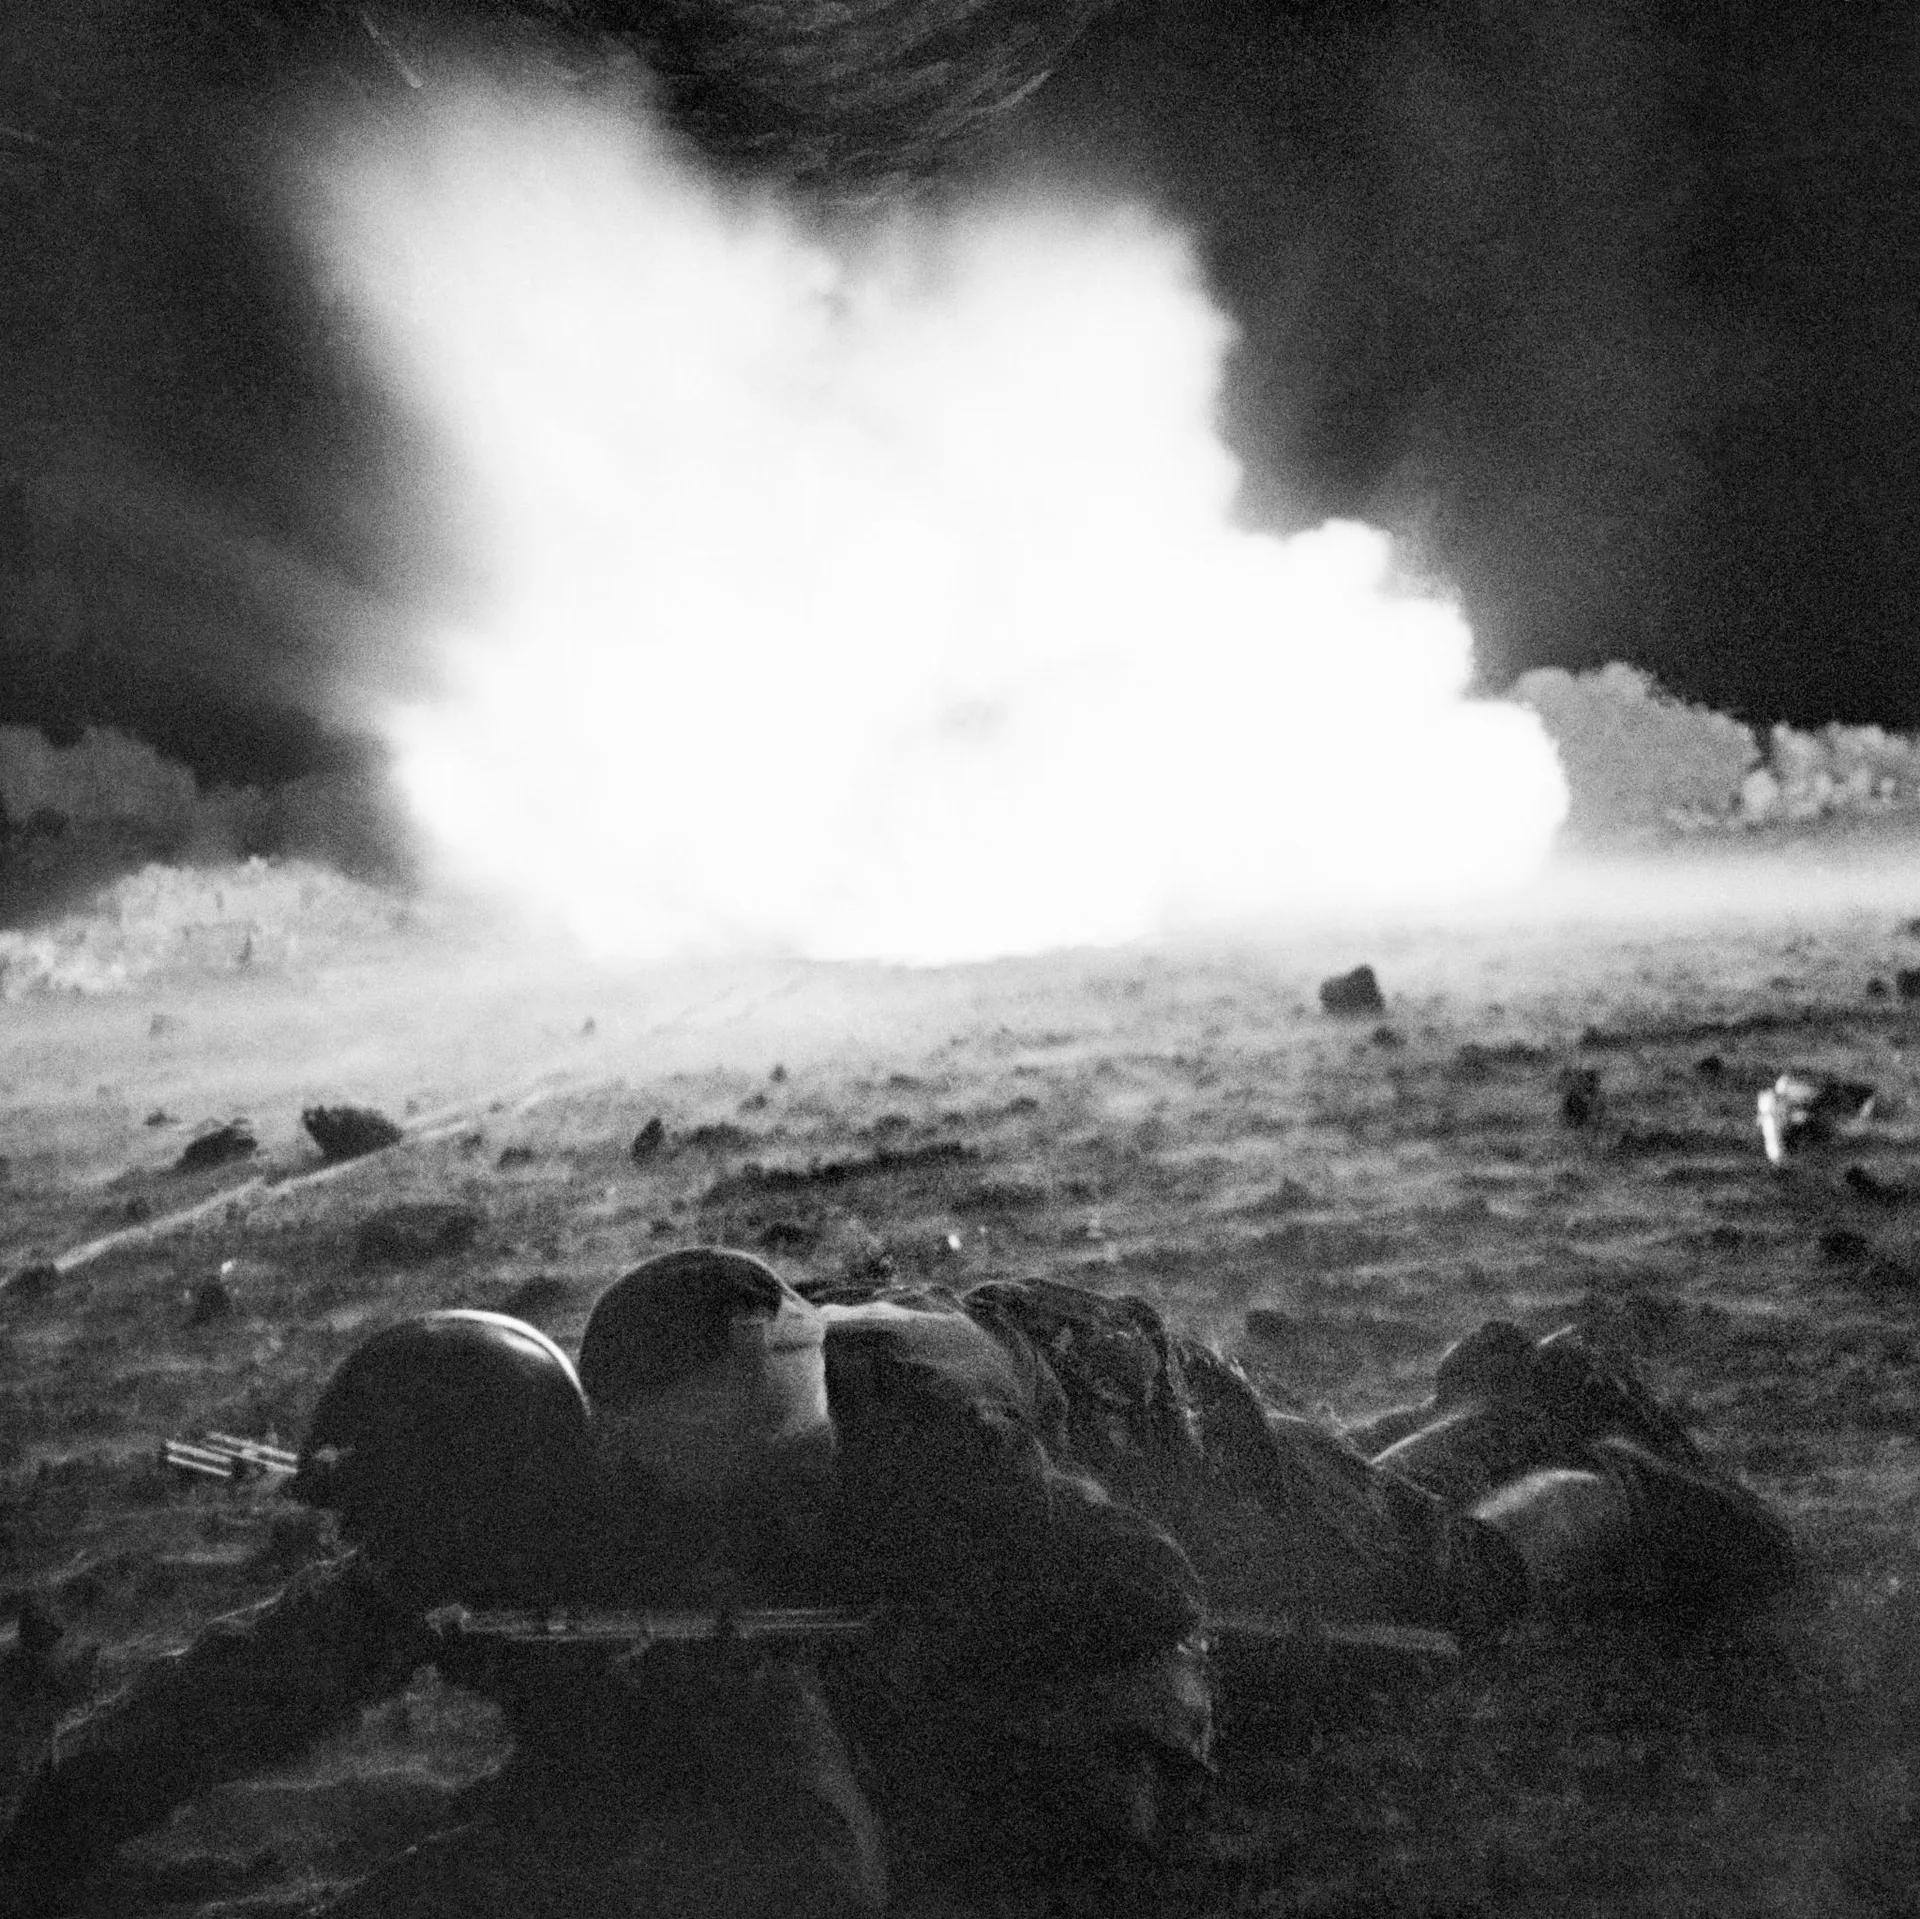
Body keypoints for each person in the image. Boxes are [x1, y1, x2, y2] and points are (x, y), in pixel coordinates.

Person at [572, 1249, 1797, 1901]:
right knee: (1343, 1504)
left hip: (1162, 1435)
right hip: (1075, 1415)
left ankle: (1615, 1484)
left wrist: (919, 1635)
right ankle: (1506, 1401)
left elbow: (1149, 1586)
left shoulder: (935, 1443)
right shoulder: (703, 1439)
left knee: (1448, 1590)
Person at [0, 1306, 887, 1919]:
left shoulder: (698, 1599)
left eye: (392, 1529)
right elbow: (257, 1681)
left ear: (474, 1519)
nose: (372, 1556)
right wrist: (71, 1804)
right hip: (614, 1768)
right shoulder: (462, 1549)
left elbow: (816, 1857)